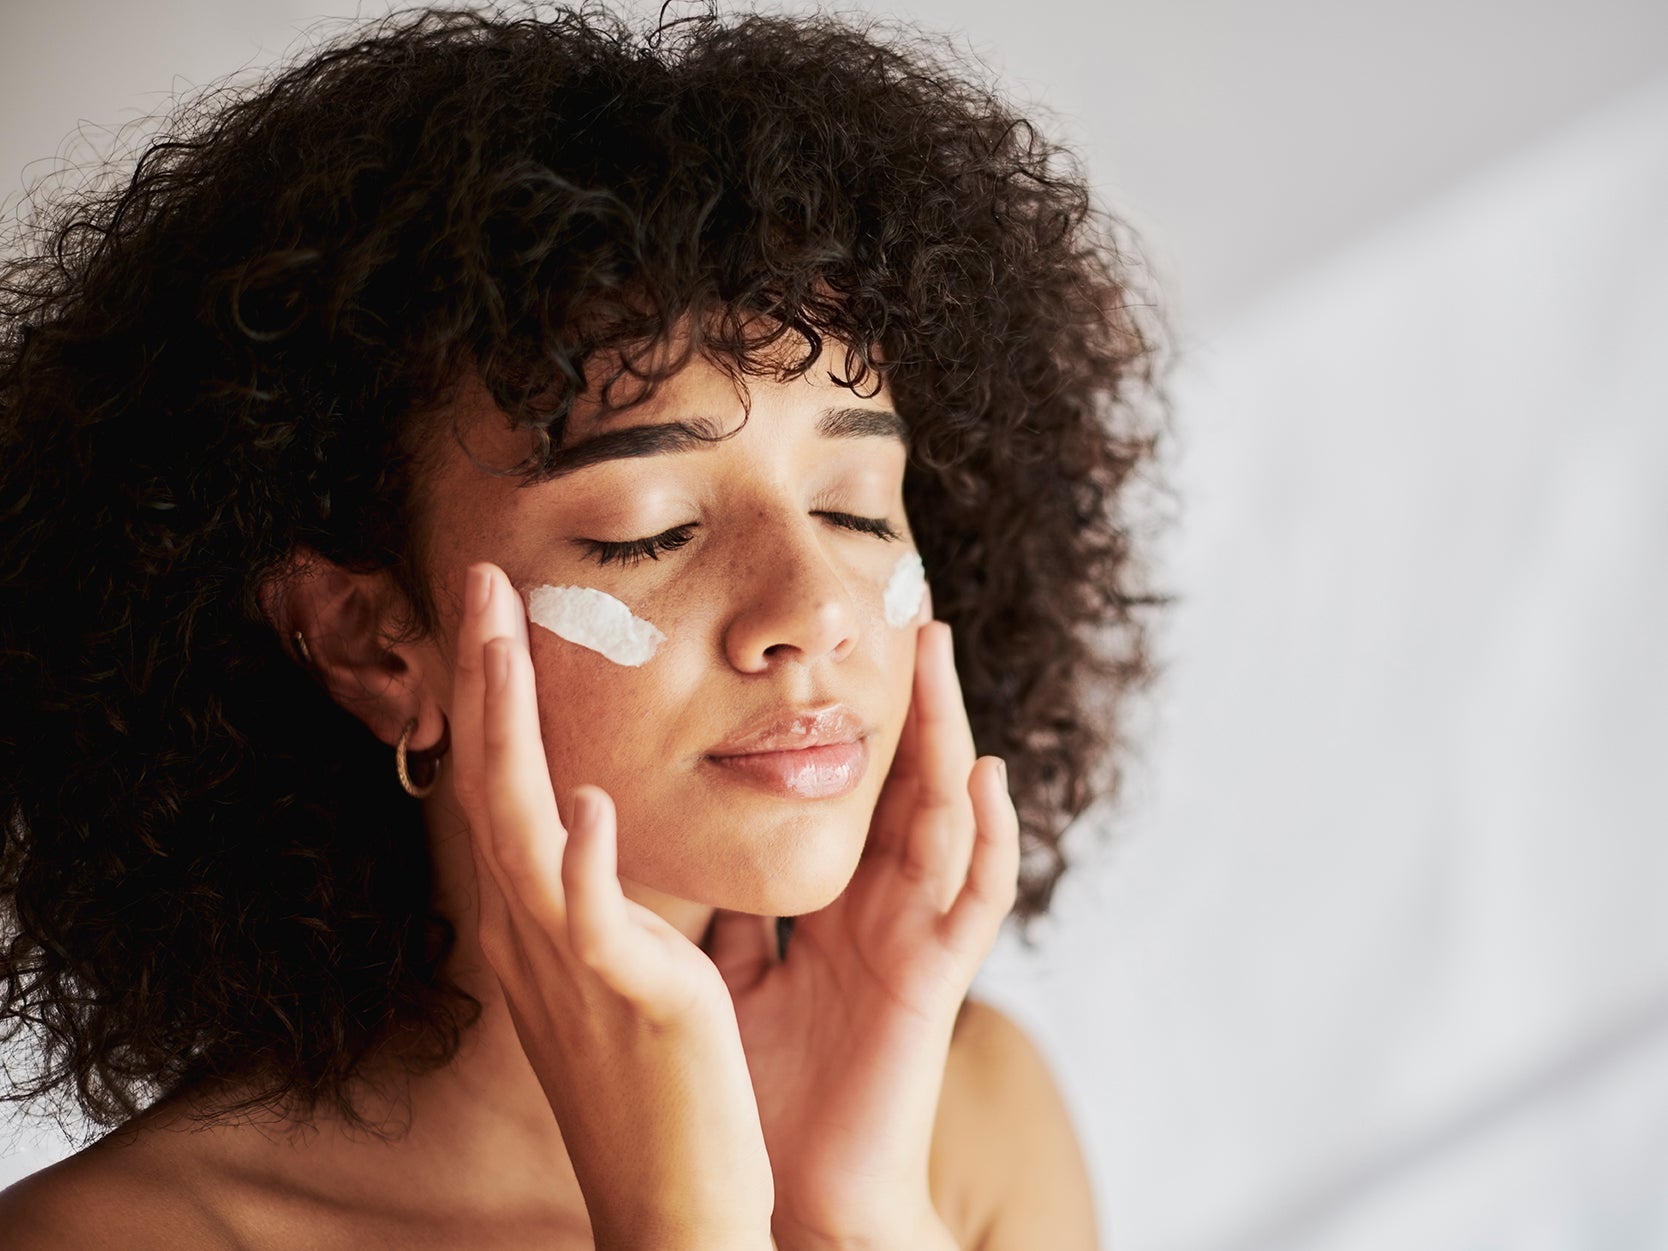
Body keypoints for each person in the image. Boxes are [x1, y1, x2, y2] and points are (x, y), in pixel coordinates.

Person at [0, 5, 1163, 1246]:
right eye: (652, 532)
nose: (816, 611)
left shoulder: (965, 1120)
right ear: (370, 641)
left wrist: (858, 1211)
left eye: (856, 508)